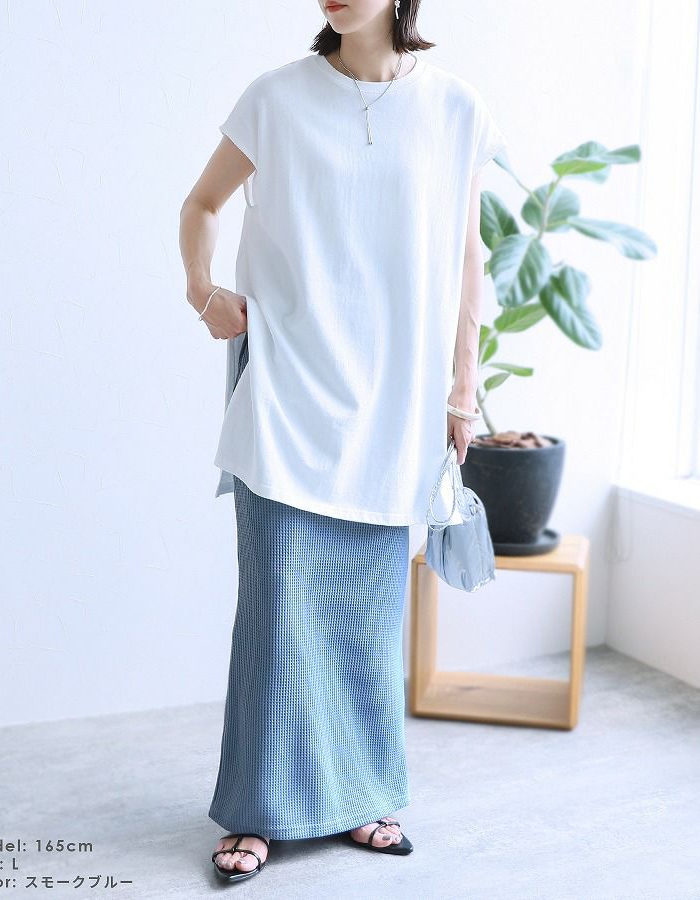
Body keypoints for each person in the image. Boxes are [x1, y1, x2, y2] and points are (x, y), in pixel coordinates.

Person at [178, 0, 507, 883]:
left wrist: (463, 387)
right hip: (286, 395)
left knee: (367, 618)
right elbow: (202, 204)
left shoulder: (455, 107)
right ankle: (257, 811)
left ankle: (363, 797)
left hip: (395, 405)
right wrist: (203, 290)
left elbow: (467, 253)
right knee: (278, 616)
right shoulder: (275, 98)